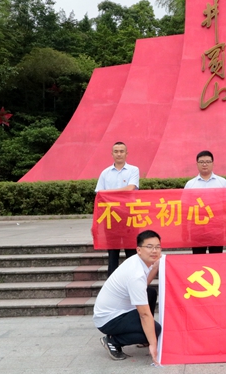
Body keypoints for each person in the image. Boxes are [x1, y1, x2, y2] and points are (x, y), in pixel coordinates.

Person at [93, 230, 162, 364]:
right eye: (149, 247)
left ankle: (143, 335)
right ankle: (113, 341)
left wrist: (155, 268)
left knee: (150, 293)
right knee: (156, 330)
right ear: (139, 250)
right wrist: (153, 343)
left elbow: (143, 286)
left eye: (157, 247)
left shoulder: (139, 260)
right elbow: (144, 315)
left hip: (120, 310)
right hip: (108, 319)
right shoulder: (135, 274)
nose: (154, 251)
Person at [95, 141, 140, 277]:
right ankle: (112, 283)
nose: (119, 154)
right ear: (112, 154)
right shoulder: (105, 173)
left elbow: (131, 188)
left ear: (126, 153)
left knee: (131, 251)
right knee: (112, 252)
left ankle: (132, 279)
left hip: (129, 215)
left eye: (121, 151)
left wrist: (110, 193)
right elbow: (99, 193)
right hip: (111, 216)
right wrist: (117, 193)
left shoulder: (133, 170)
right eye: (116, 151)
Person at [184, 150, 226, 254]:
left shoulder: (222, 182)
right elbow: (185, 208)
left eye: (208, 162)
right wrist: (185, 230)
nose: (204, 164)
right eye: (201, 162)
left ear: (213, 163)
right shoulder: (190, 184)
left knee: (216, 256)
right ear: (197, 164)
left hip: (217, 226)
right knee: (198, 257)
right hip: (197, 228)